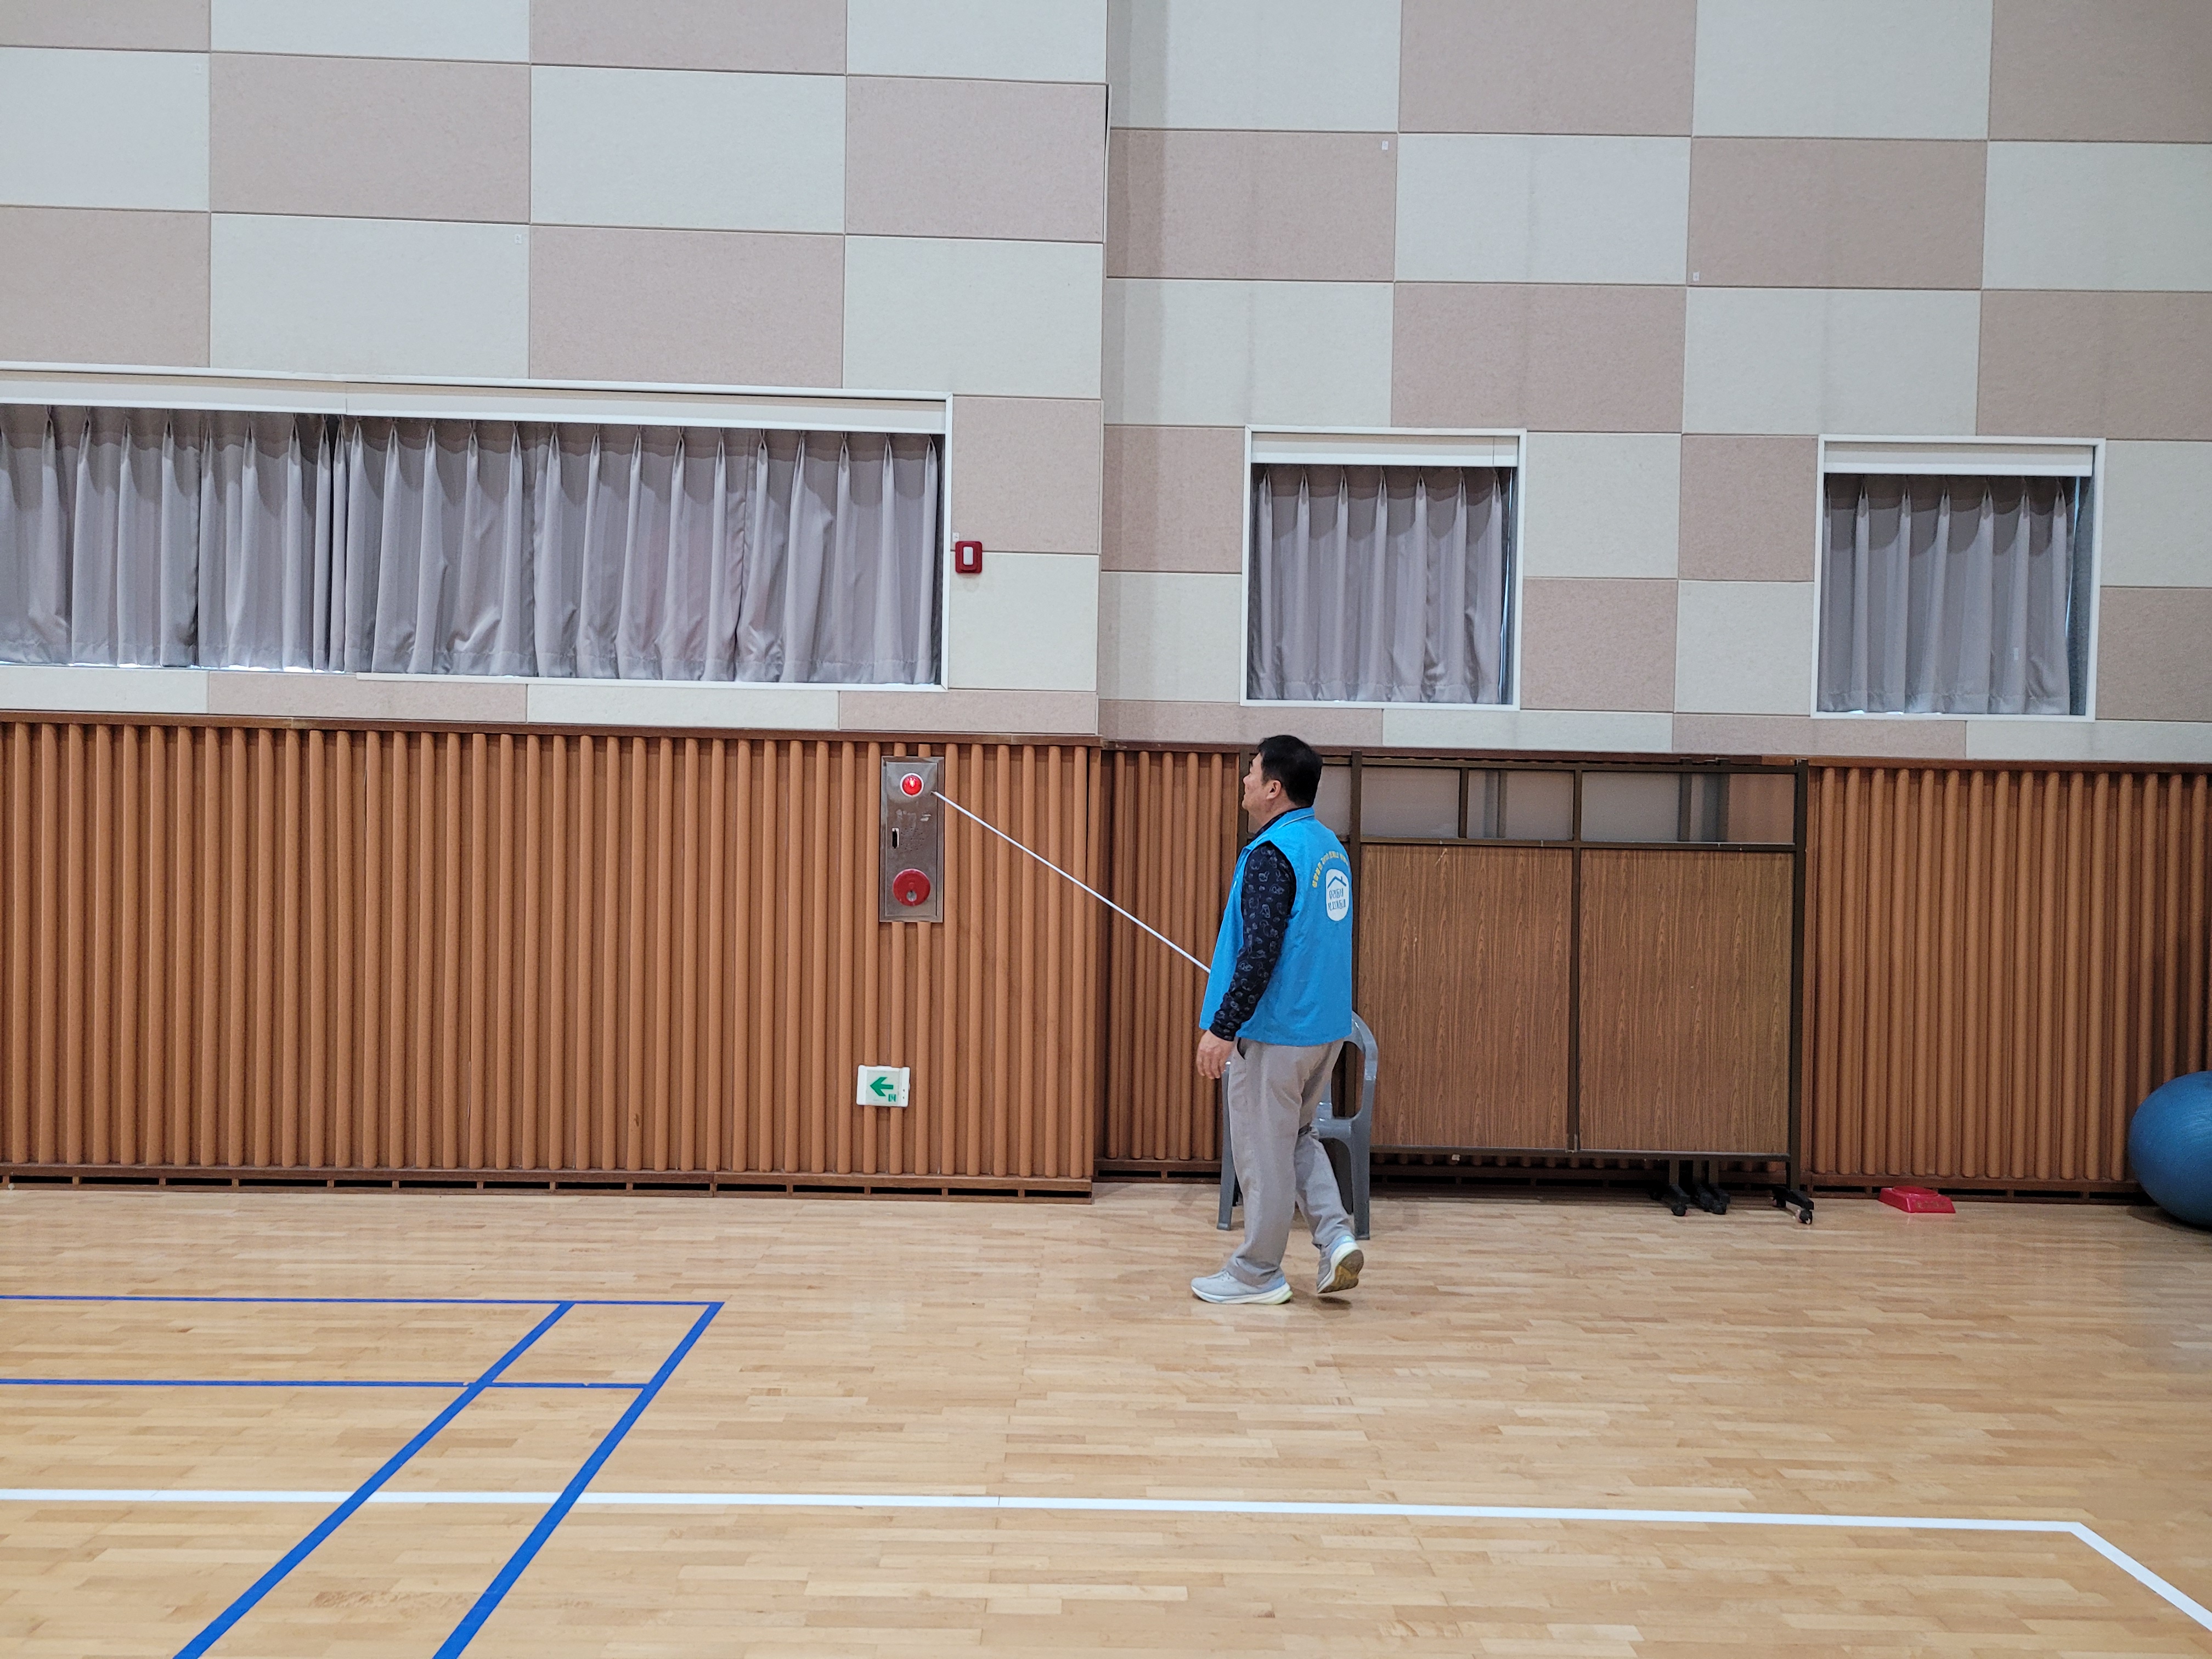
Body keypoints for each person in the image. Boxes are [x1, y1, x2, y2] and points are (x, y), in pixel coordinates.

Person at [1190, 734, 1362, 1305]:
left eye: (1252, 771)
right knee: (1297, 1137)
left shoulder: (1272, 853)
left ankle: (1257, 1273)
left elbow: (1260, 952)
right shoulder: (1328, 847)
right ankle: (1336, 1239)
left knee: (1263, 1152)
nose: (1244, 780)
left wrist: (1224, 1027)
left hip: (1276, 1033)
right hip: (1325, 1030)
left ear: (1273, 788)